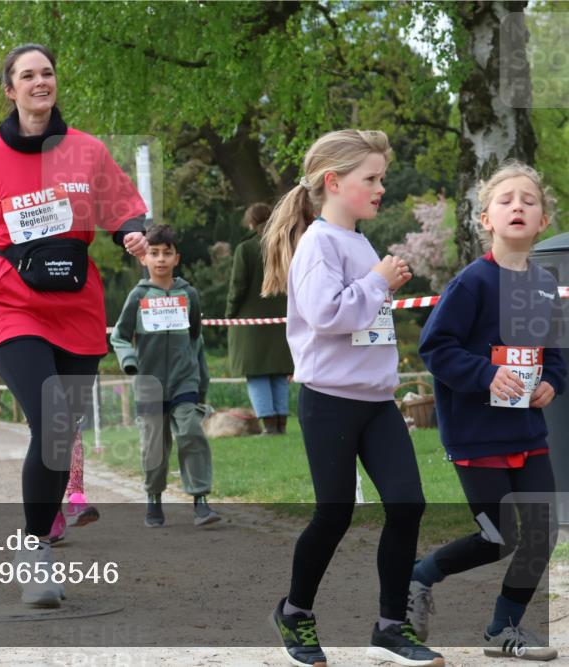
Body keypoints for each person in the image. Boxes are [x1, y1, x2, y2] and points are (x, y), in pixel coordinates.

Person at [0, 43, 149, 607]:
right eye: (27, 75)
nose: (40, 82)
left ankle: (38, 535)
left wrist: (132, 232)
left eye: (47, 73)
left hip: (77, 304)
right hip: (10, 300)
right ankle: (34, 550)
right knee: (51, 416)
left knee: (60, 432)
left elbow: (125, 210)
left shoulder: (87, 150)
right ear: (10, 90)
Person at [260, 130, 444, 667]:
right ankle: (295, 612)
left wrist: (380, 282)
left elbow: (362, 315)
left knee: (408, 505)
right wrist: (378, 283)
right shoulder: (318, 243)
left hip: (377, 402)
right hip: (329, 402)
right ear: (334, 182)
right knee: (335, 513)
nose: (381, 187)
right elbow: (327, 315)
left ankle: (390, 628)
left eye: (382, 177)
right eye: (372, 178)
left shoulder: (358, 242)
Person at [409, 162, 565, 661]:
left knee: (542, 533)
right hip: (476, 435)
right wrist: (485, 374)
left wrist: (552, 383)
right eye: (506, 200)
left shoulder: (545, 286)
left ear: (543, 221)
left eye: (529, 201)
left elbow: (554, 356)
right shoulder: (472, 282)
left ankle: (503, 628)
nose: (518, 206)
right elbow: (436, 347)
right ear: (486, 219)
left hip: (527, 432)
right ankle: (420, 575)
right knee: (499, 537)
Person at [111, 224, 218, 528]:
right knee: (154, 446)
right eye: (154, 253)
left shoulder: (189, 294)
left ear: (176, 258)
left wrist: (202, 382)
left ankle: (200, 501)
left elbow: (196, 339)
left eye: (166, 253)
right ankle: (154, 498)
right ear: (143, 258)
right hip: (150, 383)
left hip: (185, 380)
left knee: (191, 433)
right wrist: (129, 361)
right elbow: (119, 336)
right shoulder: (138, 295)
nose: (160, 259)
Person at [226, 203, 294, 435]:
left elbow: (238, 286)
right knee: (279, 373)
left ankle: (268, 425)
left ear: (251, 223)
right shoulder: (286, 246)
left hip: (251, 324)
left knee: (257, 374)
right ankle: (281, 424)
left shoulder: (245, 249)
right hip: (282, 320)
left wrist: (230, 314)